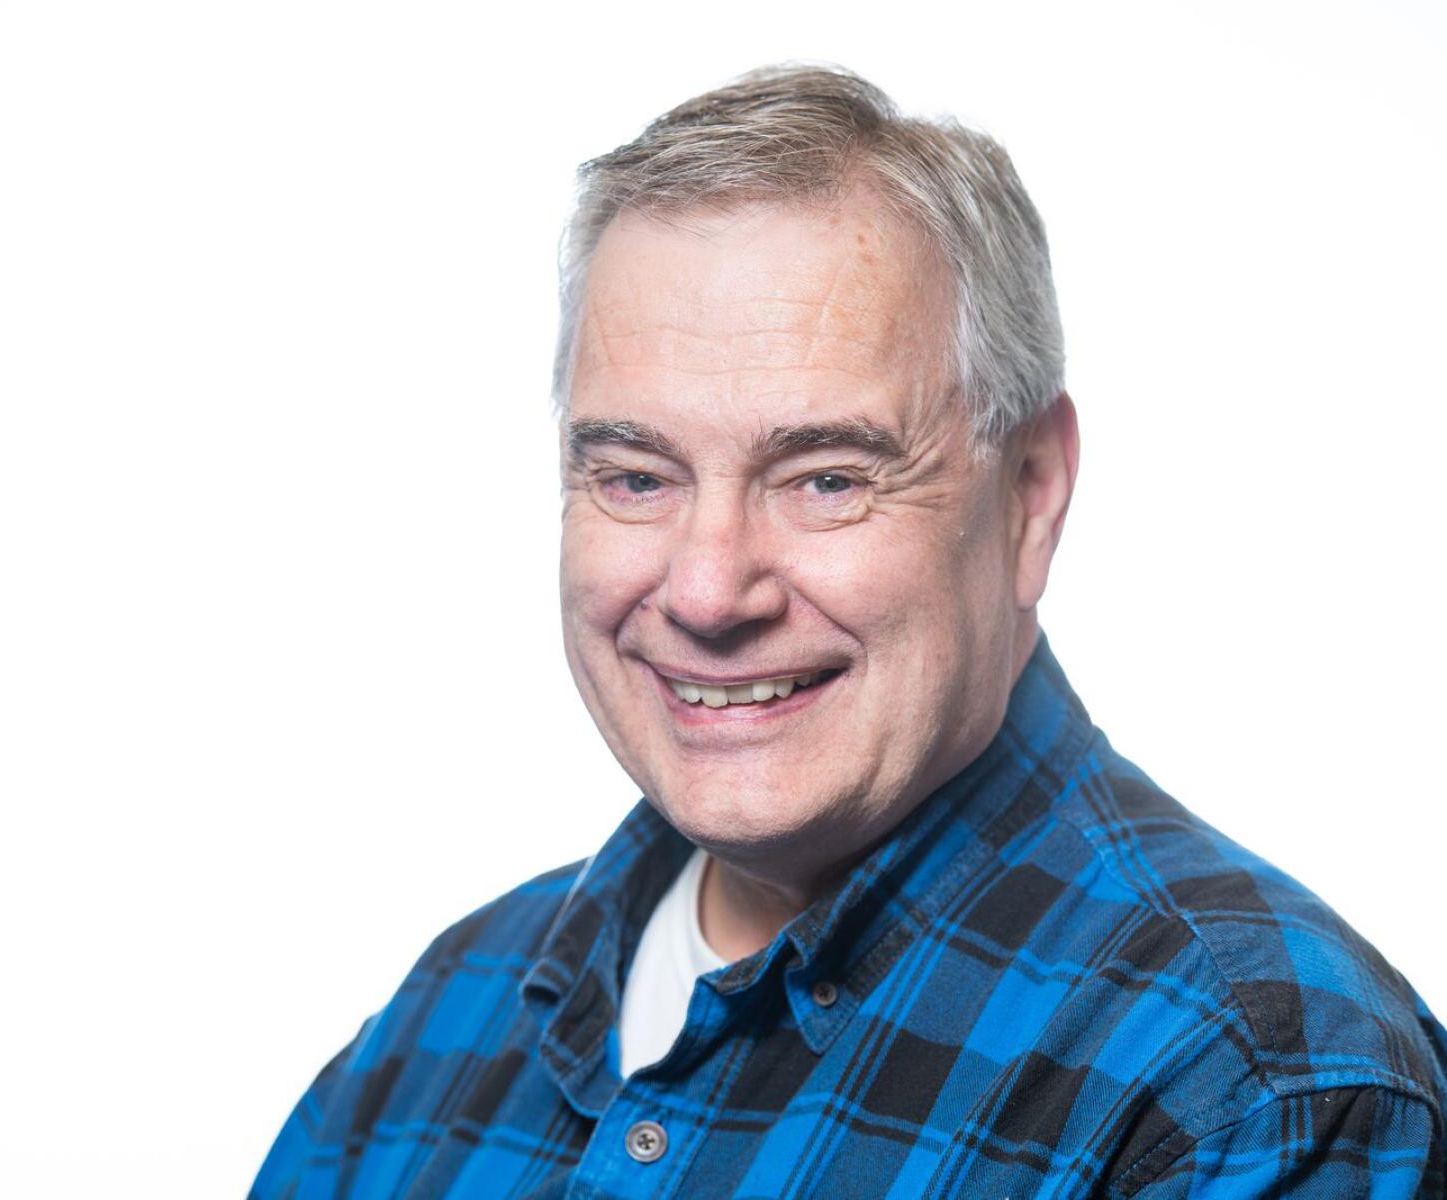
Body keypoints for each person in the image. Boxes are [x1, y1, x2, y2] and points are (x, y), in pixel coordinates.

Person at [250, 66, 1446, 1198]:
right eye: (635, 477)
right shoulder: (445, 1019)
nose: (710, 592)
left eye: (825, 477)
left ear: (1029, 493)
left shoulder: (1252, 1083)